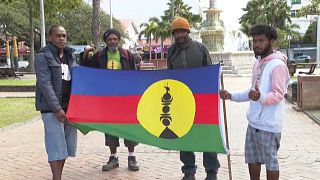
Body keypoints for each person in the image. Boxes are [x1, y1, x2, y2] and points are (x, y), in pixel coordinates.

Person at [220, 24, 289, 180]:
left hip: (269, 125)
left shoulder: (278, 65)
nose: (257, 44)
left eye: (261, 41)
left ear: (271, 41)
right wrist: (231, 96)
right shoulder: (258, 63)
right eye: (255, 41)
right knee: (253, 159)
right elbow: (252, 92)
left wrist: (261, 97)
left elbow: (278, 95)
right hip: (253, 124)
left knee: (271, 162)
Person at [167, 17, 220, 180]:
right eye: (177, 32)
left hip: (202, 99)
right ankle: (189, 171)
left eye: (182, 31)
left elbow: (210, 72)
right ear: (174, 34)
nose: (180, 34)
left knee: (207, 134)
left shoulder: (200, 48)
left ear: (188, 32)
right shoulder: (171, 52)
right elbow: (169, 75)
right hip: (181, 101)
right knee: (184, 135)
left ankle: (211, 171)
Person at [79, 28, 139, 171]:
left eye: (115, 39)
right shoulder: (99, 55)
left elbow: (135, 75)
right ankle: (113, 158)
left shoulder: (127, 54)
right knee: (110, 128)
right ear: (105, 41)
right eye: (109, 39)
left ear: (118, 40)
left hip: (125, 98)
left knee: (129, 127)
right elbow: (87, 70)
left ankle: (132, 157)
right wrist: (86, 54)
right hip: (107, 100)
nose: (112, 41)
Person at [34, 25, 77, 180]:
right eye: (58, 35)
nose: (62, 38)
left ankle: (56, 177)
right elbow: (45, 84)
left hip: (69, 108)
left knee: (65, 147)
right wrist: (57, 109)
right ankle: (56, 178)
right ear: (50, 37)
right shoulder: (43, 56)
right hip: (52, 109)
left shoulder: (70, 55)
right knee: (55, 146)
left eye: (64, 35)